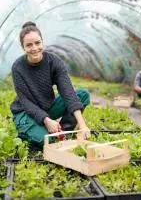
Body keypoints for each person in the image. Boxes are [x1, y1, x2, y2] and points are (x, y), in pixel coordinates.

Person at [10, 21, 91, 149]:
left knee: (82, 95)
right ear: (23, 47)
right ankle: (28, 129)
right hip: (25, 112)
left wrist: (82, 125)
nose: (35, 48)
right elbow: (25, 102)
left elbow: (68, 92)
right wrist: (46, 120)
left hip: (46, 107)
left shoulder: (53, 62)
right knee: (49, 142)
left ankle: (64, 131)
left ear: (42, 41)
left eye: (37, 43)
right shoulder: (18, 67)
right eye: (29, 45)